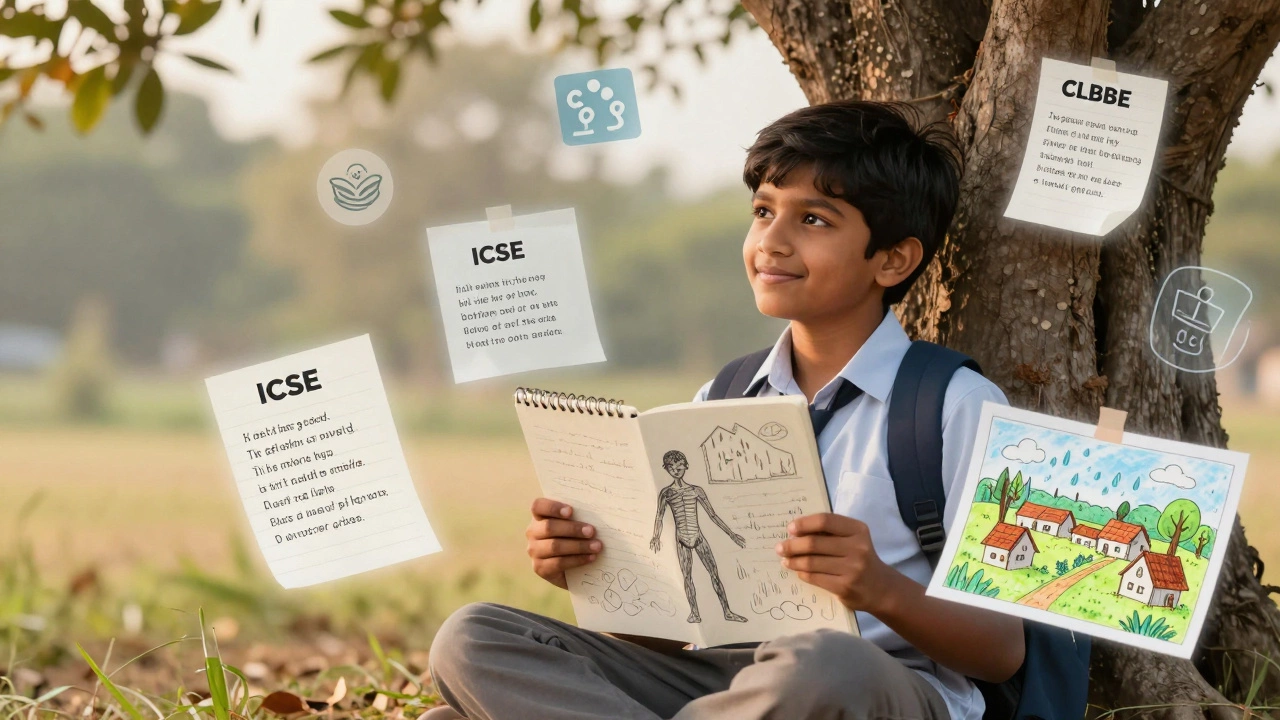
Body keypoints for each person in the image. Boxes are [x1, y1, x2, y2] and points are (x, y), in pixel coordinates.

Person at [426, 101, 1024, 720]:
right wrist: (589, 573)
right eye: (764, 211)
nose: (772, 241)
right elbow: (676, 631)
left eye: (814, 219)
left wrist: (880, 587)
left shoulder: (955, 406)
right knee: (472, 637)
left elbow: (1002, 651)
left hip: (870, 686)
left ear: (893, 259)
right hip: (724, 687)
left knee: (824, 663)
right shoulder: (724, 395)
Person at [649, 450, 748, 624]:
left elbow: (713, 515)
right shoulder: (666, 493)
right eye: (672, 467)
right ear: (666, 469)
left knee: (714, 574)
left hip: (698, 537)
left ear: (686, 466)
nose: (676, 470)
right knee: (687, 578)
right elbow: (659, 516)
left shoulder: (696, 491)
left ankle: (727, 612)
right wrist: (655, 536)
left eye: (679, 466)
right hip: (681, 539)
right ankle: (695, 613)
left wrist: (731, 534)